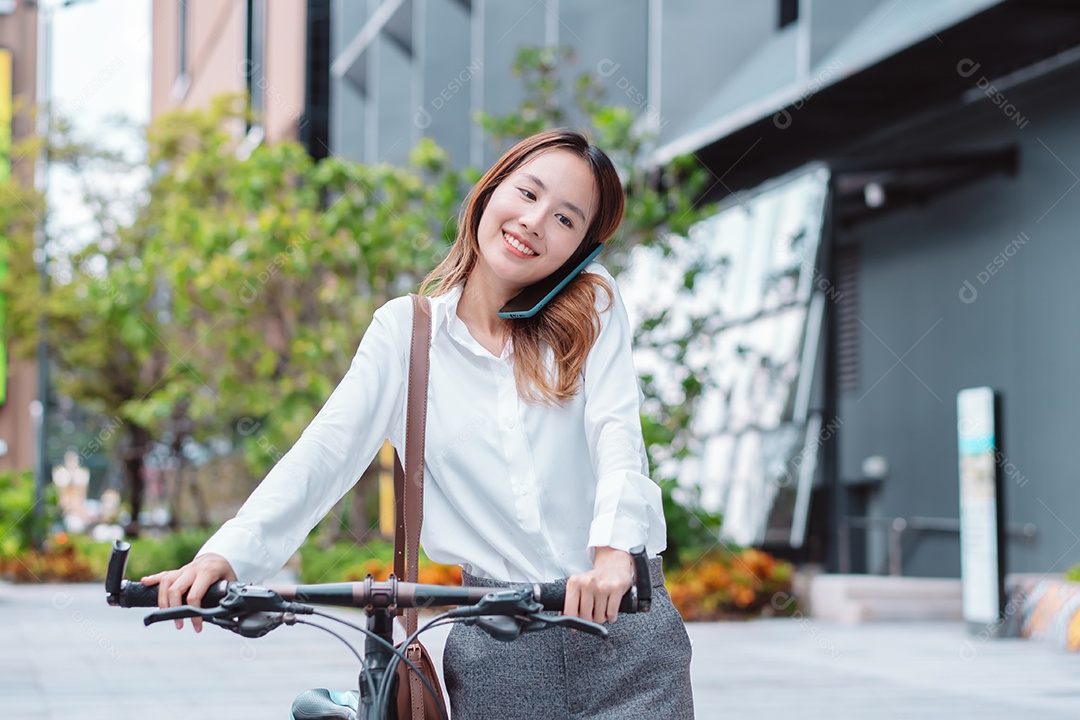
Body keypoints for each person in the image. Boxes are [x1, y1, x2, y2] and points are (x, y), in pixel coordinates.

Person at [141, 128, 694, 718]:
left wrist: (614, 556)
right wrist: (225, 558)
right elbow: (323, 454)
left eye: (565, 219)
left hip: (625, 632)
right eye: (528, 193)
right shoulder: (404, 334)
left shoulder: (593, 305)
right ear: (489, 192)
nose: (535, 222)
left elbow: (616, 432)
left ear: (581, 248)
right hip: (502, 644)